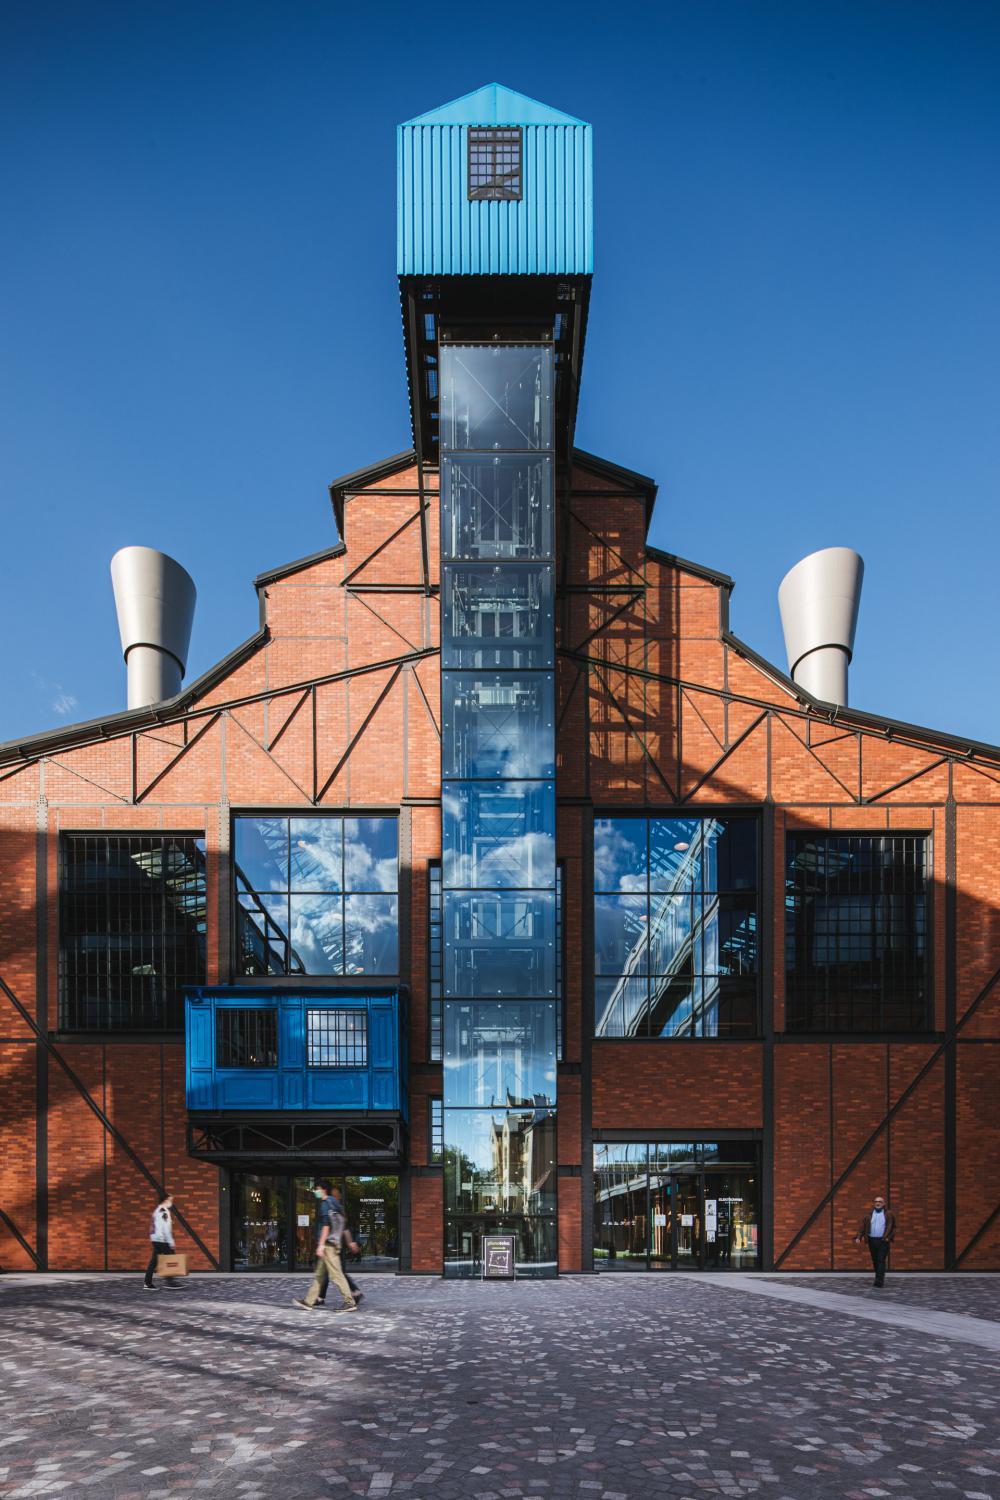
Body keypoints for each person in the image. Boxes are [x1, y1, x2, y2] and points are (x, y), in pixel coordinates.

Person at [293, 1180, 357, 1312]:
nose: (315, 1191)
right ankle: (309, 1301)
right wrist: (349, 1241)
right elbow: (343, 1223)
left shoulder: (325, 1204)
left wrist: (321, 1245)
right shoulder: (335, 1202)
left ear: (323, 1190)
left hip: (328, 1245)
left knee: (336, 1275)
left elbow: (326, 1226)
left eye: (317, 1189)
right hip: (334, 1242)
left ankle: (349, 1302)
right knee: (319, 1275)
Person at [316, 1203, 365, 1308]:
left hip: (334, 1246)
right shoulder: (334, 1211)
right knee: (330, 1272)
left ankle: (352, 1295)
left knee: (335, 1273)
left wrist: (322, 1244)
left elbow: (342, 1229)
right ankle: (321, 1297)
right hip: (335, 1245)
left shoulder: (332, 1211)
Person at [855, 1193, 896, 1287]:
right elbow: (862, 1227)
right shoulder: (869, 1215)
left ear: (884, 1203)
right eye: (876, 1201)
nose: (878, 1203)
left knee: (881, 1260)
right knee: (875, 1260)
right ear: (873, 1203)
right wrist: (858, 1237)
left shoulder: (889, 1214)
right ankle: (878, 1276)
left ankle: (879, 1280)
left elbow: (893, 1227)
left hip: (883, 1240)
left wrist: (888, 1238)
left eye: (880, 1202)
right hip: (872, 1240)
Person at [144, 1191, 181, 1291]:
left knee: (154, 1261)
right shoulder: (163, 1211)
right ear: (165, 1200)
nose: (171, 1202)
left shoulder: (158, 1210)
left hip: (156, 1239)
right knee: (170, 1258)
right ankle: (170, 1282)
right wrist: (171, 1242)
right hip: (161, 1240)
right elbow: (165, 1229)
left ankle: (148, 1283)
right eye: (170, 1200)